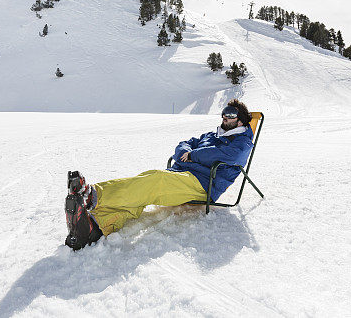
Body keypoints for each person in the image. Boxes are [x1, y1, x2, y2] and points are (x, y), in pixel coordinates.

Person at [65, 99, 254, 250]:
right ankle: (94, 228)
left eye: (230, 115)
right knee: (144, 190)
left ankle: (93, 195)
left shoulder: (242, 143)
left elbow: (223, 155)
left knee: (155, 180)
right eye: (223, 114)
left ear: (241, 120)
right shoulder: (214, 135)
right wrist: (183, 153)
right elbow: (185, 143)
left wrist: (193, 155)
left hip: (203, 184)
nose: (224, 118)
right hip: (182, 174)